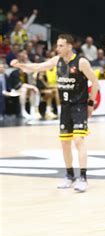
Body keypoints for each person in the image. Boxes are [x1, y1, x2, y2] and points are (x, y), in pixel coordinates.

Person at [10, 34, 99, 192]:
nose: (57, 49)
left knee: (79, 140)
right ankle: (69, 176)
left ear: (69, 46)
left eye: (60, 46)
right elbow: (37, 67)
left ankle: (83, 178)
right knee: (65, 143)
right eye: (57, 45)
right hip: (64, 107)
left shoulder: (81, 62)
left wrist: (90, 104)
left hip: (78, 106)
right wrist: (20, 65)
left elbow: (95, 82)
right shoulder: (56, 61)